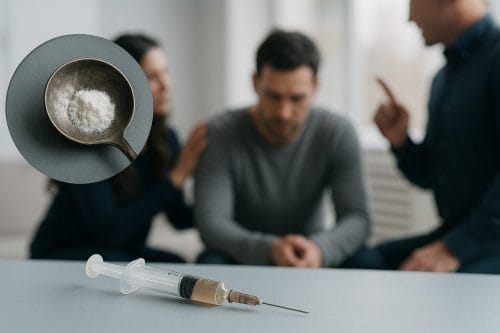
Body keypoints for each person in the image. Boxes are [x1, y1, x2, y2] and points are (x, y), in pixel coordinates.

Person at [195, 30, 370, 267]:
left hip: (310, 249)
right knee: (209, 264)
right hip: (243, 253)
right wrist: (269, 249)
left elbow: (357, 218)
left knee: (368, 259)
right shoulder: (220, 132)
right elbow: (212, 223)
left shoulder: (337, 132)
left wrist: (320, 249)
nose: (283, 113)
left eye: (297, 98)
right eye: (273, 96)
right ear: (255, 83)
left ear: (315, 88)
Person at [350, 0, 500, 273]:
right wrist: (401, 141)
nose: (409, 17)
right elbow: (431, 177)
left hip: (487, 241)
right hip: (458, 232)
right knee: (362, 262)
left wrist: (454, 249)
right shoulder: (442, 79)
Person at [30, 34, 207, 262]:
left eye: (166, 72)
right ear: (123, 87)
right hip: (62, 252)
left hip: (121, 252)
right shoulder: (87, 146)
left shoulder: (166, 139)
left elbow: (179, 218)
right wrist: (177, 176)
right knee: (127, 262)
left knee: (177, 263)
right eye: (152, 77)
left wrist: (225, 198)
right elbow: (111, 232)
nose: (166, 85)